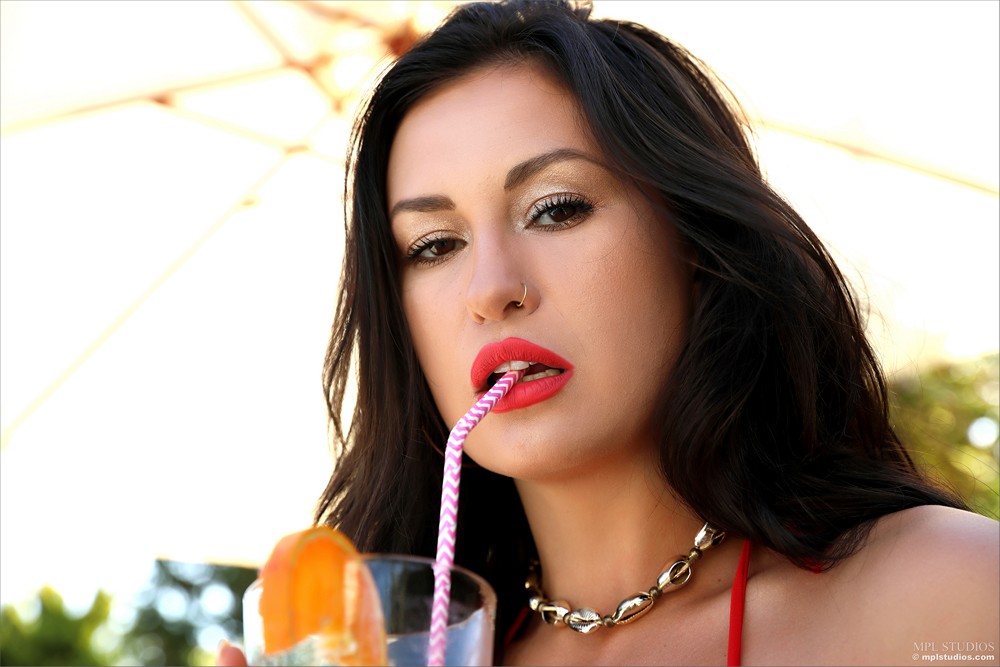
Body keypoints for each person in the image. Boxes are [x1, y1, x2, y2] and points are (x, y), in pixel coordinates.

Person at [220, 1, 999, 664]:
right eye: (434, 245)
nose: (491, 289)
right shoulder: (413, 652)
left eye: (556, 208)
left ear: (695, 247)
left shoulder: (947, 597)